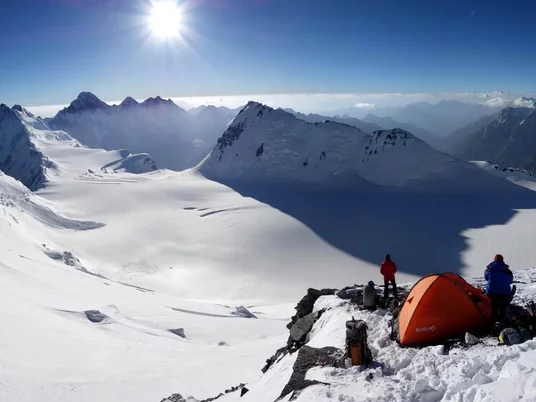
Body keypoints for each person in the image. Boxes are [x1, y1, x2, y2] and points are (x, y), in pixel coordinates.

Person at [485, 254, 514, 323]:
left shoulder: (488, 269)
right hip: (504, 294)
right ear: (502, 260)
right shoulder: (507, 270)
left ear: (494, 259)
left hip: (491, 293)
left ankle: (493, 324)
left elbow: (486, 278)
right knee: (502, 308)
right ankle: (502, 322)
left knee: (493, 309)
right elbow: (510, 280)